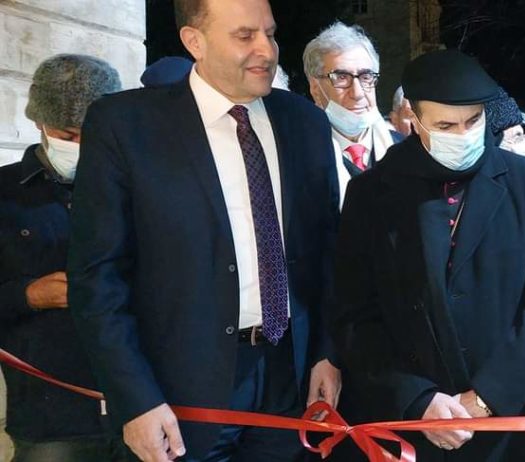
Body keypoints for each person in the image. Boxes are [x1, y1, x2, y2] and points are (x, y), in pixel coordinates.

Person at [67, 0, 340, 460]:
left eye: (270, 33)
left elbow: (328, 252)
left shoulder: (305, 122)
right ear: (194, 41)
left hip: (288, 379)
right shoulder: (126, 125)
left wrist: (326, 353)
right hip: (178, 392)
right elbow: (98, 279)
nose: (267, 50)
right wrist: (136, 400)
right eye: (244, 36)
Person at [332, 49, 525, 461]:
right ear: (413, 117)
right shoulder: (370, 194)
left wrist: (487, 396)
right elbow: (355, 313)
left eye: (473, 121)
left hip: (511, 423)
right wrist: (416, 398)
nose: (462, 134)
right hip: (413, 426)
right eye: (445, 125)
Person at [0, 54, 125, 462]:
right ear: (40, 122)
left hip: (142, 409)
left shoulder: (135, 188)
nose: (82, 146)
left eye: (94, 134)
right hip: (51, 421)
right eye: (68, 134)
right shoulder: (5, 193)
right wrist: (28, 295)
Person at [303, 21, 400, 206]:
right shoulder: (298, 159)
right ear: (315, 89)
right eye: (341, 77)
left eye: (366, 77)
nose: (357, 93)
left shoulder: (406, 151)